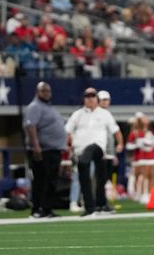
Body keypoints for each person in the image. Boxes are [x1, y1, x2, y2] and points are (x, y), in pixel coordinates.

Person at [65, 88, 120, 216]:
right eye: (87, 96)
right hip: (80, 151)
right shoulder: (77, 114)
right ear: (84, 98)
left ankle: (97, 204)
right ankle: (93, 206)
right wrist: (67, 146)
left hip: (98, 148)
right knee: (92, 177)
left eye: (92, 96)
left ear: (96, 98)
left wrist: (120, 144)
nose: (90, 98)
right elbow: (68, 131)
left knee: (92, 168)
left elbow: (115, 130)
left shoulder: (104, 114)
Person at [23, 82, 66, 218]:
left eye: (48, 91)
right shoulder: (34, 107)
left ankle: (47, 208)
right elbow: (30, 127)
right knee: (41, 180)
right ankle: (36, 209)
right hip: (43, 150)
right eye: (43, 91)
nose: (46, 93)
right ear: (37, 92)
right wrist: (36, 147)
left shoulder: (48, 107)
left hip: (54, 150)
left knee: (51, 181)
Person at [98, 90, 124, 208]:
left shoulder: (107, 115)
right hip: (98, 152)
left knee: (105, 179)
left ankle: (102, 202)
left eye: (106, 100)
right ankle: (97, 202)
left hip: (108, 153)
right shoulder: (96, 114)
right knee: (98, 179)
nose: (104, 102)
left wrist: (114, 153)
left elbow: (114, 133)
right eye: (102, 100)